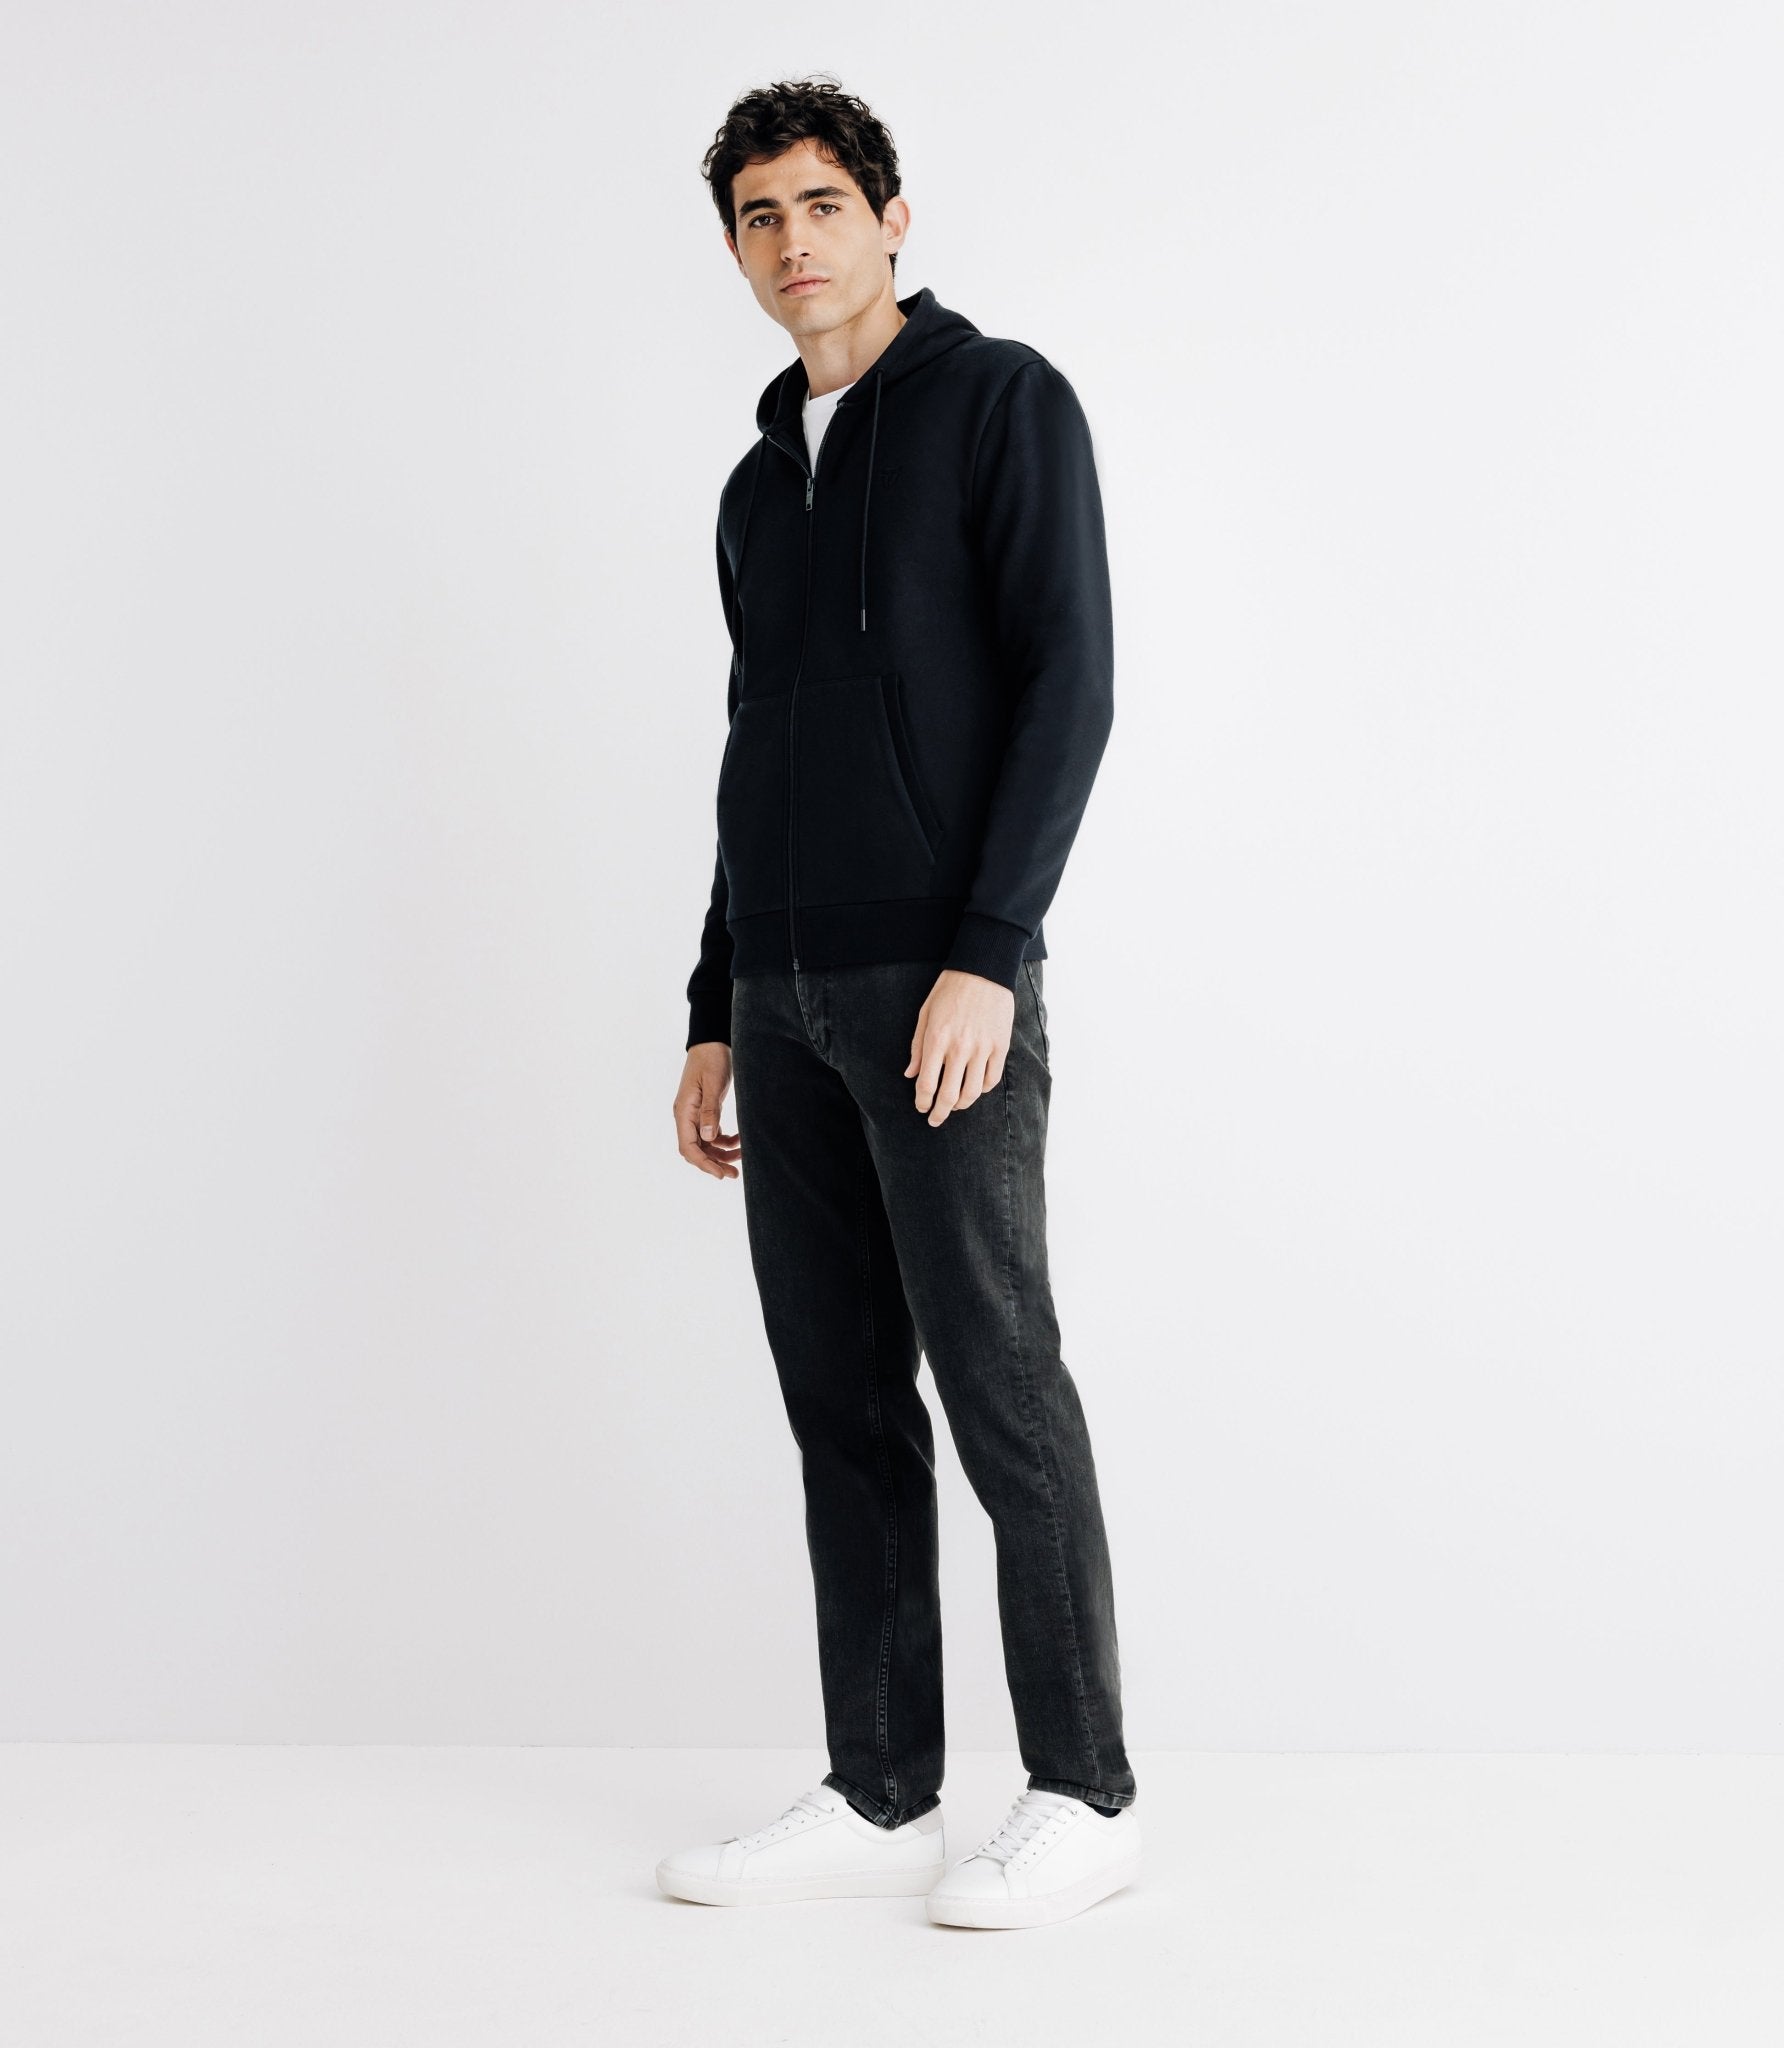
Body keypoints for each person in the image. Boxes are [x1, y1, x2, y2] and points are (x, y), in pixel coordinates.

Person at [663, 78, 1138, 1930]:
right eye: (760, 216)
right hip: (783, 1000)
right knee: (842, 1406)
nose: (794, 241)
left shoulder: (999, 403)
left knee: (1001, 1385)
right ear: (735, 249)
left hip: (941, 985)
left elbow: (1070, 684)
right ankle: (879, 1791)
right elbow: (755, 746)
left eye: (822, 205)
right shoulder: (751, 487)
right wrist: (717, 999)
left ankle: (1085, 1792)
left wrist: (990, 950)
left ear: (890, 219)